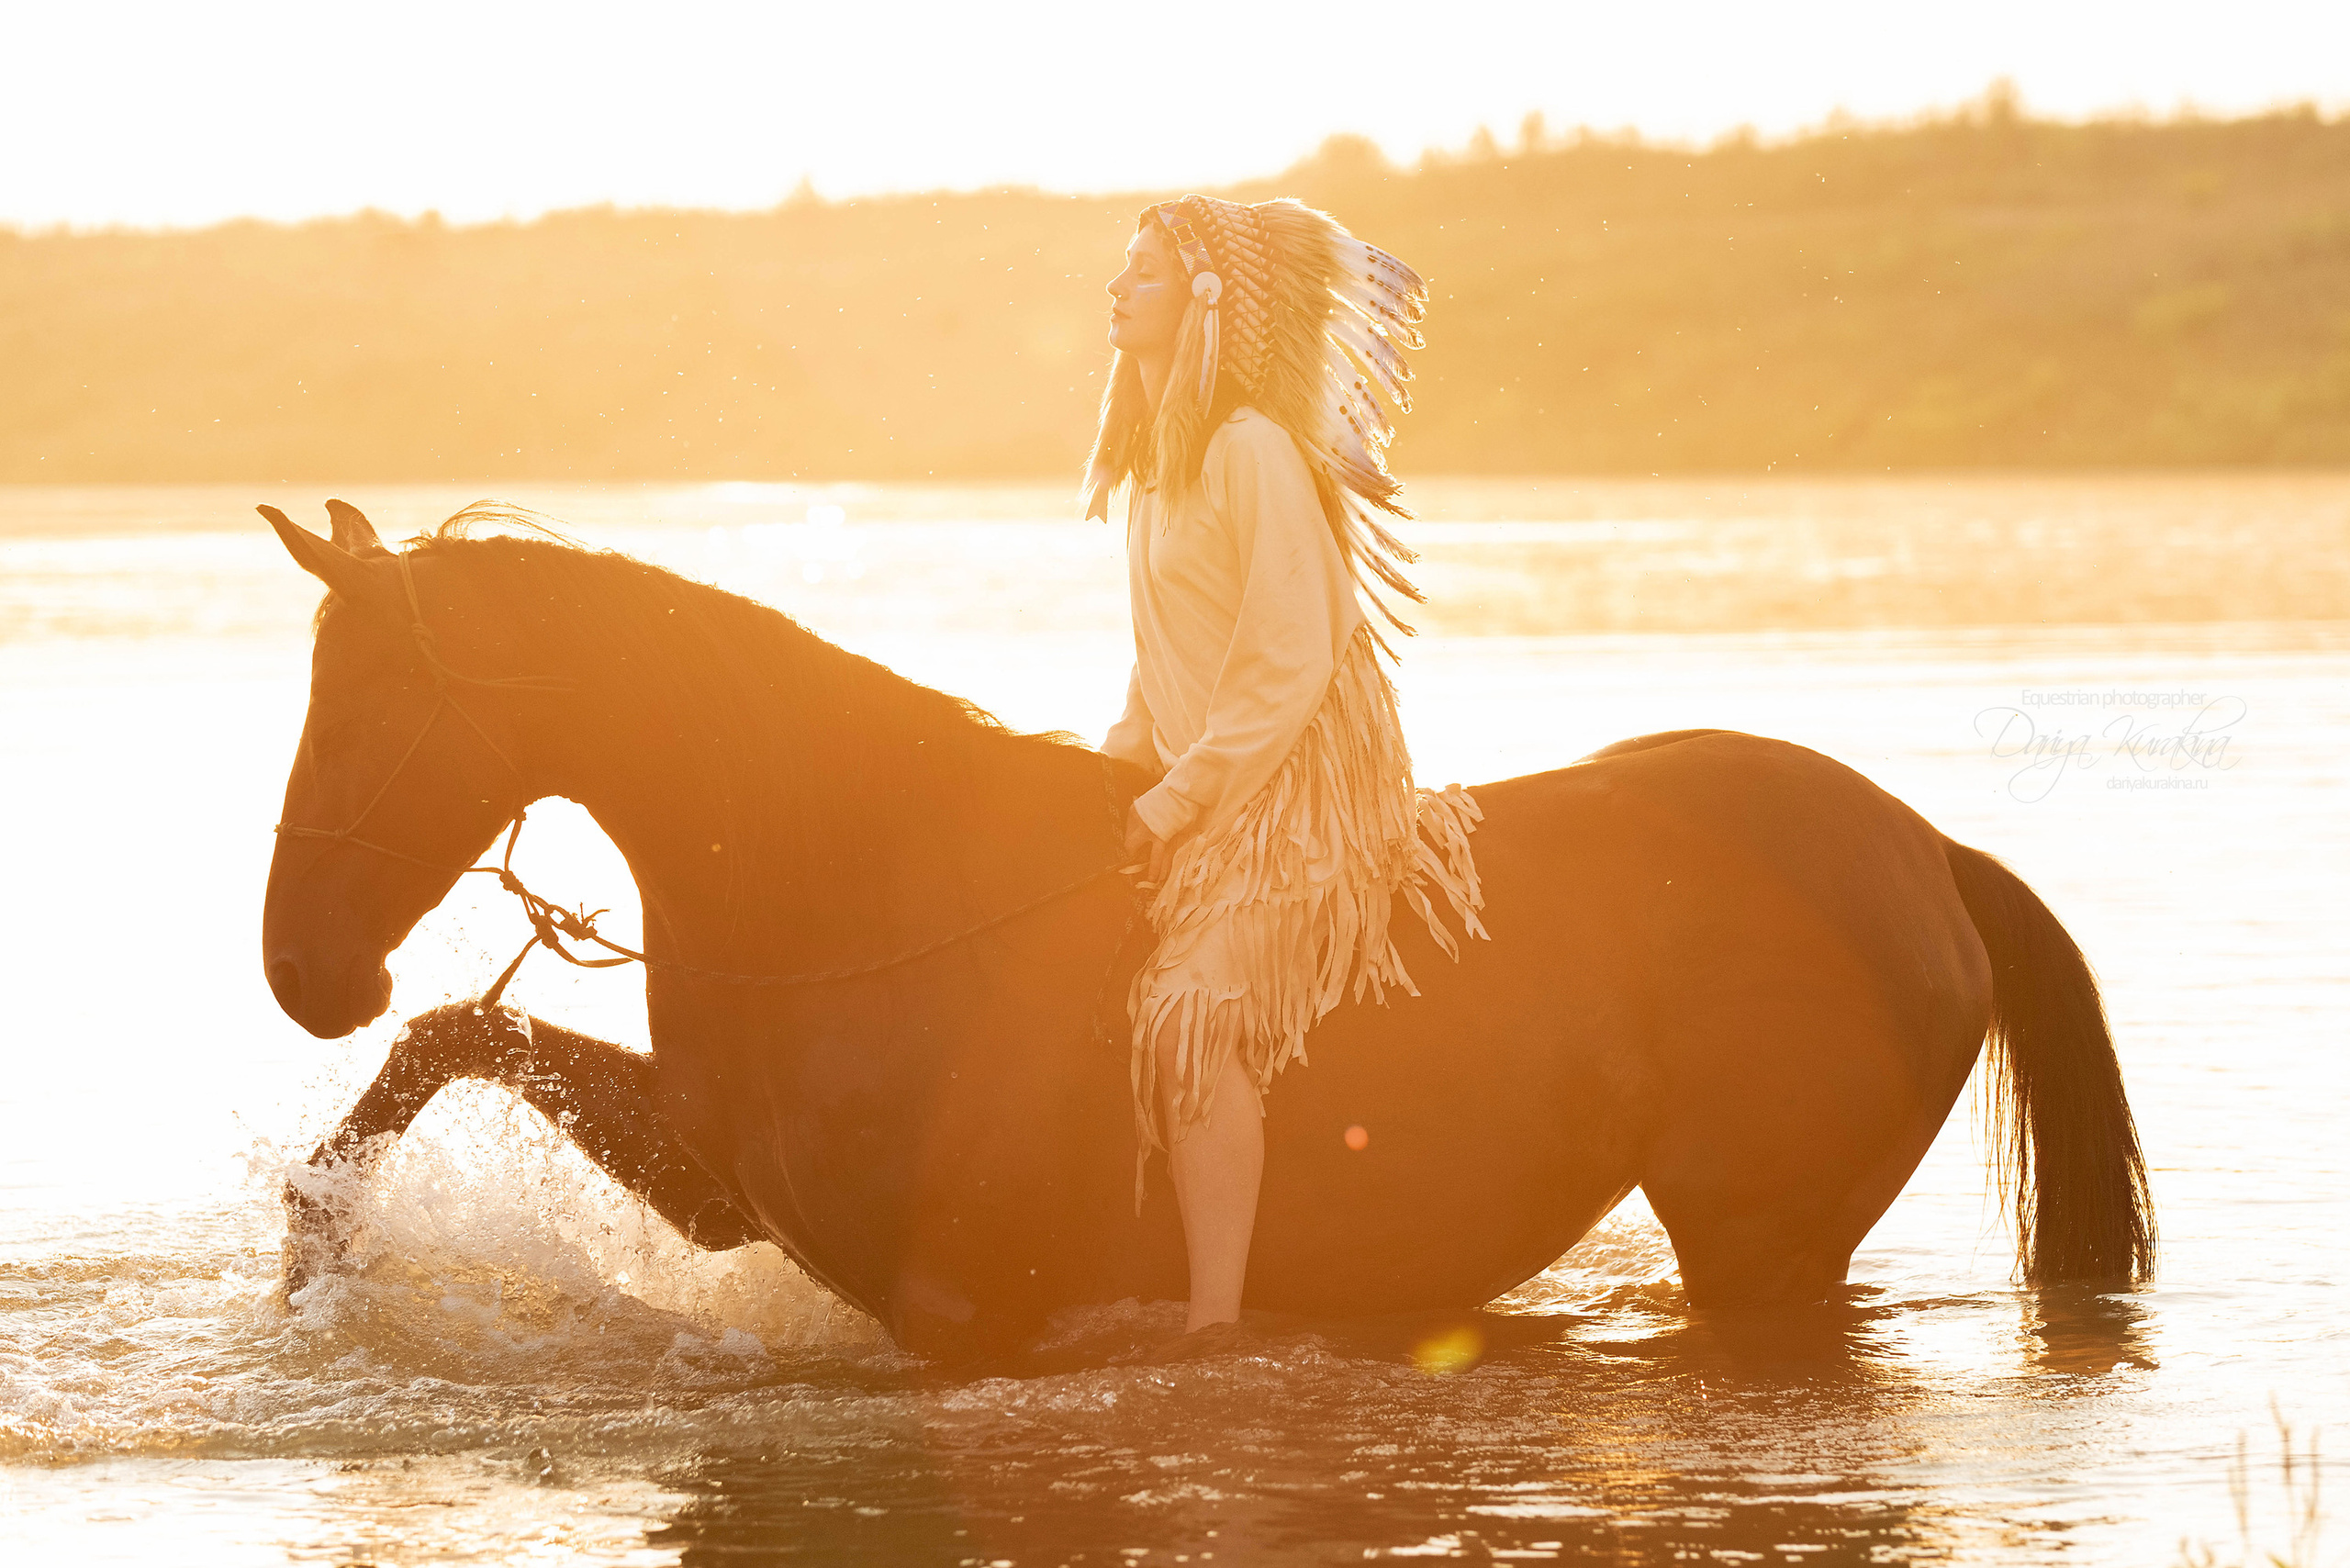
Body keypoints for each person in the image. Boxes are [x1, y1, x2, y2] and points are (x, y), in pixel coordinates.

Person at [1083, 196, 1487, 1333]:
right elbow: (1162, 660)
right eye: (1123, 270)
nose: (1117, 290)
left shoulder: (1250, 448)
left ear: (1207, 299)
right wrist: (1108, 771)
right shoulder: (1156, 469)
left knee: (1187, 1011)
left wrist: (1176, 799)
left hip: (1300, 787)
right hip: (1212, 773)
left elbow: (1283, 658)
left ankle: (1215, 1322)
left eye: (1147, 273)